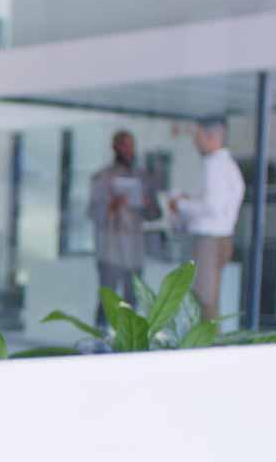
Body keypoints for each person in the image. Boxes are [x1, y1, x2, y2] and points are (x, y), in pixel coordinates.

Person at [169, 117, 245, 321]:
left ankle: (206, 349)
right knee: (209, 299)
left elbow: (211, 207)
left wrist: (180, 204)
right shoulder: (228, 165)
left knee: (204, 301)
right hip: (220, 239)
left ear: (212, 137)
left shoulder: (215, 165)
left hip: (208, 242)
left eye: (198, 137)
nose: (195, 142)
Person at [87, 130, 159, 324]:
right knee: (107, 299)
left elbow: (155, 214)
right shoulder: (102, 178)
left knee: (132, 300)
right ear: (115, 148)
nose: (129, 151)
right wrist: (112, 205)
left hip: (135, 249)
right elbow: (93, 214)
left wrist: (147, 204)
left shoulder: (144, 178)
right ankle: (100, 342)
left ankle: (128, 347)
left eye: (131, 146)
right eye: (124, 146)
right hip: (110, 248)